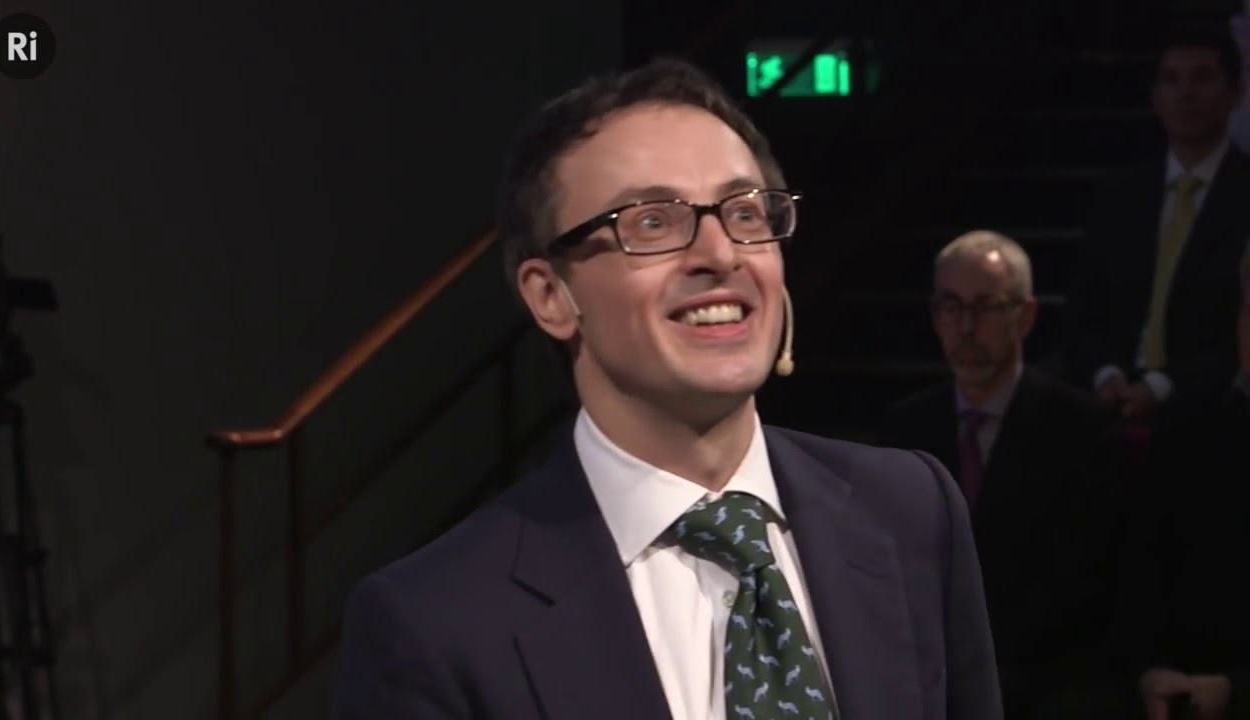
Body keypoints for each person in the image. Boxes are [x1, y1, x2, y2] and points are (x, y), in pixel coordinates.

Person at [332, 58, 1003, 720]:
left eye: (745, 213)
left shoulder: (912, 511)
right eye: (652, 221)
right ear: (551, 295)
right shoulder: (433, 622)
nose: (720, 254)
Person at [879, 231, 1125, 719]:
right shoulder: (905, 428)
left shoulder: (1083, 429)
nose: (967, 327)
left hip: (1043, 681)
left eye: (987, 307)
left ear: (1025, 316)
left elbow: (1083, 589)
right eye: (952, 307)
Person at [1064, 24, 1250, 421]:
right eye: (1171, 80)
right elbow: (1083, 311)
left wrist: (1162, 386)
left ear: (1236, 93)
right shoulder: (1120, 193)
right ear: (1155, 96)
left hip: (1214, 408)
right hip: (1111, 401)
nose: (1185, 93)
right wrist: (1105, 373)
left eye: (1202, 78)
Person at [1115, 237, 1250, 720]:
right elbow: (1139, 573)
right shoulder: (1188, 429)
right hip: (1174, 689)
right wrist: (1149, 671)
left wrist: (1235, 689)